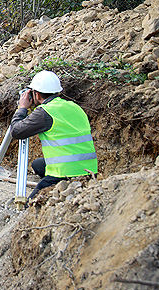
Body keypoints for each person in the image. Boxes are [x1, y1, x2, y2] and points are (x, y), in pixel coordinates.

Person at [11, 70, 97, 199]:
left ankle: (58, 187)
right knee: (38, 165)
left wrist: (22, 108)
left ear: (37, 95)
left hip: (66, 172)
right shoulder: (74, 106)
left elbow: (16, 131)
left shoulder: (45, 112)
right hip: (89, 169)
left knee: (31, 204)